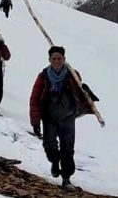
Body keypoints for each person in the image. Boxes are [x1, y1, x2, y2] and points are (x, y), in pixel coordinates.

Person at [29, 46, 89, 191]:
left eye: (59, 58)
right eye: (53, 59)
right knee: (50, 145)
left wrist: (85, 91)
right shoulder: (43, 76)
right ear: (49, 60)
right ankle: (55, 162)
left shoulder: (73, 75)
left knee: (67, 149)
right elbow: (34, 99)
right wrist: (35, 121)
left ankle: (66, 178)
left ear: (64, 59)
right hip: (49, 118)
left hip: (68, 117)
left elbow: (80, 94)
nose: (56, 61)